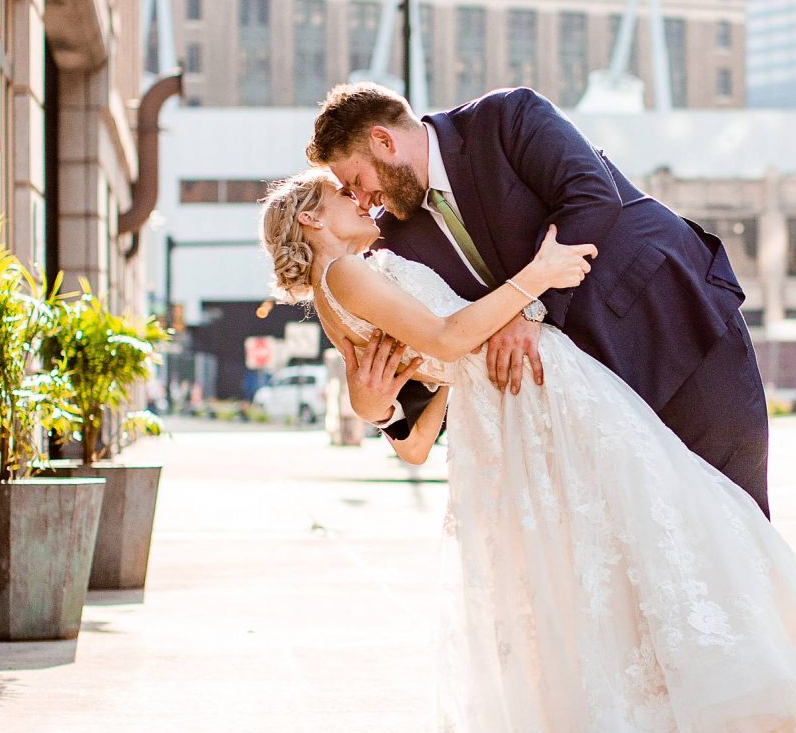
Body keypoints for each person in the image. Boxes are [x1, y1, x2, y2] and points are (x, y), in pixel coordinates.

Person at [260, 172, 796, 733]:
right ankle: (727, 724)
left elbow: (415, 430)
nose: (360, 202)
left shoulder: (342, 290)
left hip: (508, 418)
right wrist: (539, 277)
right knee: (669, 541)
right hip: (543, 400)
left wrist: (416, 397)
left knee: (608, 576)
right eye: (339, 197)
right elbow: (453, 334)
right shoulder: (349, 273)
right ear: (310, 219)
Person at [305, 82, 772, 517]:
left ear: (385, 142)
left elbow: (591, 196)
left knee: (733, 520)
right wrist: (380, 411)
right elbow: (431, 354)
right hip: (587, 405)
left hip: (677, 327)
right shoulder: (391, 244)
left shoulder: (506, 118)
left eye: (358, 180)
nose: (362, 200)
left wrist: (532, 306)